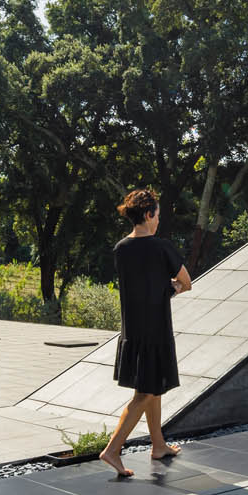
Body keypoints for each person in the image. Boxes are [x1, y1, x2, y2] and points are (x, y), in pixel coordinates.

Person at [99, 188, 192, 479]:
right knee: (146, 392)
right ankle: (113, 450)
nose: (158, 220)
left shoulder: (121, 248)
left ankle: (158, 445)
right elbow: (186, 281)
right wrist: (172, 288)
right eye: (158, 215)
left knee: (154, 388)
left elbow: (138, 283)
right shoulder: (161, 247)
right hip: (155, 329)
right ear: (149, 214)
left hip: (132, 330)